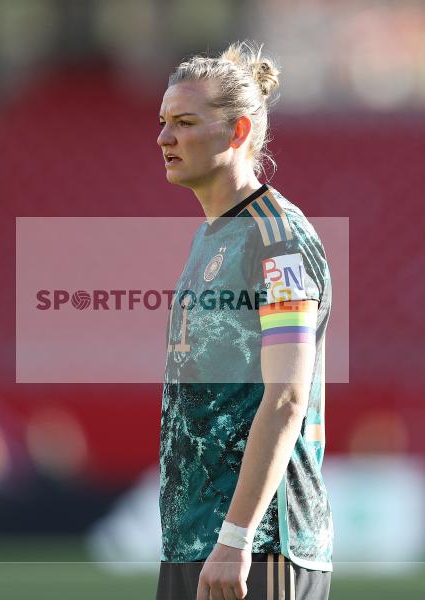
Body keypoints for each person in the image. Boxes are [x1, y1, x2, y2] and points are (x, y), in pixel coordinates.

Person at [156, 41, 334, 600]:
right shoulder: (212, 237)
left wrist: (236, 538)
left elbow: (285, 397)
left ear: (237, 132)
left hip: (258, 549)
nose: (164, 138)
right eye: (163, 122)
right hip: (197, 544)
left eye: (184, 122)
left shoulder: (277, 242)